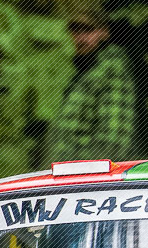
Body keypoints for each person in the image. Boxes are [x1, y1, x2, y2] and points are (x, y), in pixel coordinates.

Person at [46, 11, 140, 164]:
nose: (80, 38)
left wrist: (83, 174)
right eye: (75, 30)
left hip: (88, 175)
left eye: (88, 30)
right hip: (68, 172)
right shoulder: (86, 69)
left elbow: (114, 140)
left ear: (104, 32)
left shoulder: (112, 67)